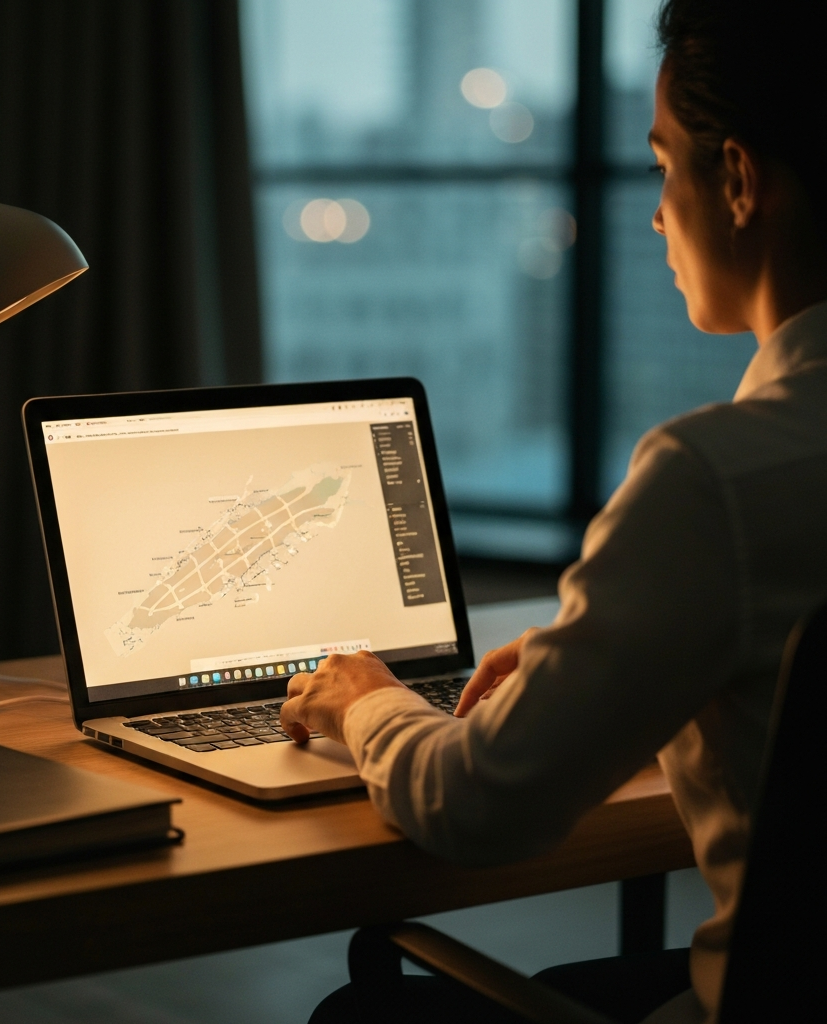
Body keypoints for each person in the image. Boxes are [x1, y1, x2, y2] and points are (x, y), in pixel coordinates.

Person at [286, 1, 827, 1021]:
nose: (655, 212)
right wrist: (605, 655)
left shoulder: (712, 479)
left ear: (740, 180)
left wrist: (364, 696)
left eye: (665, 163)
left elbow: (479, 804)